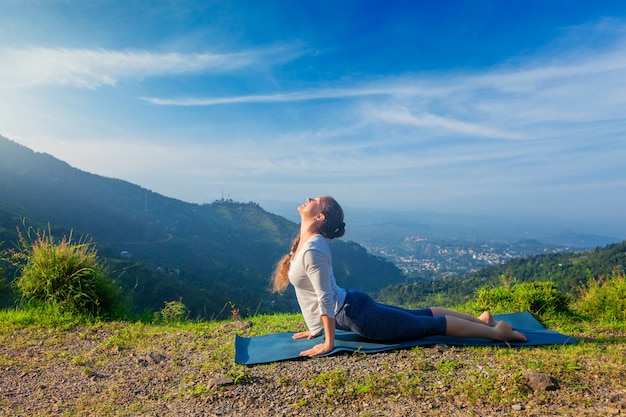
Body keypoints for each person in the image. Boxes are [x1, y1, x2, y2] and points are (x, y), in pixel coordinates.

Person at [272, 196, 527, 358]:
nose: (308, 198)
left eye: (315, 200)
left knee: (428, 325)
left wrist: (328, 342)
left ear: (319, 217)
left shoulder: (314, 247)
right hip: (352, 306)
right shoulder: (306, 242)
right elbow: (315, 295)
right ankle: (483, 321)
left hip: (357, 315)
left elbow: (324, 297)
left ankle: (496, 332)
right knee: (421, 314)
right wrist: (315, 329)